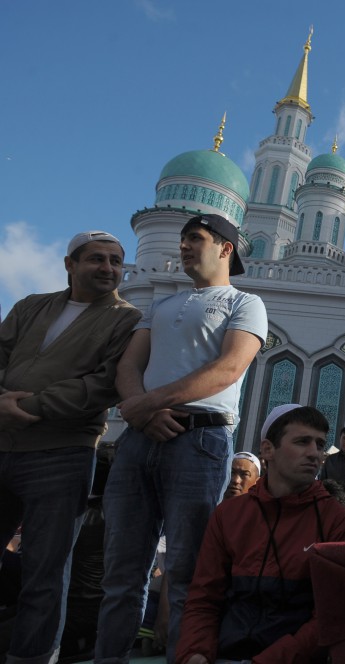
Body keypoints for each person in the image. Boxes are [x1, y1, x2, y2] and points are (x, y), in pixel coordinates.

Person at [96, 213, 268, 662]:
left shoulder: (244, 303)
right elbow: (129, 367)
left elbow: (228, 369)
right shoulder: (163, 304)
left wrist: (147, 405)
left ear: (226, 248)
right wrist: (140, 411)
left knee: (188, 572)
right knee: (121, 573)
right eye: (183, 239)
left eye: (196, 238)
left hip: (199, 442)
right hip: (140, 442)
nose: (185, 246)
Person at [0, 231, 140, 664]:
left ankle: (33, 657)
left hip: (61, 453)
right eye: (97, 259)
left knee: (45, 571)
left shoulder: (126, 319)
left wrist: (32, 406)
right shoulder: (31, 307)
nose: (108, 268)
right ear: (70, 264)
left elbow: (103, 383)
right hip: (4, 444)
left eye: (116, 261)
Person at [175, 405, 345, 664]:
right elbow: (204, 597)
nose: (314, 453)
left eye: (319, 444)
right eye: (303, 442)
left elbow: (330, 617)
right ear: (268, 449)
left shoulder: (336, 522)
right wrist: (195, 652)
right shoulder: (229, 515)